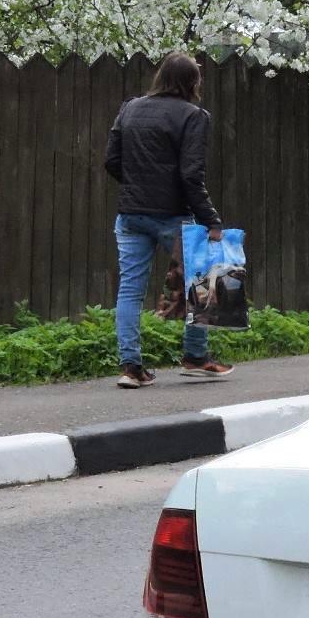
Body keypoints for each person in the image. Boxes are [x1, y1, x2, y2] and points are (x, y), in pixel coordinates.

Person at [104, 53, 234, 387]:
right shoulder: (194, 116)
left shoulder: (129, 108)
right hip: (173, 215)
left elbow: (112, 161)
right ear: (192, 82)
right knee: (201, 284)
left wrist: (138, 186)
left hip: (130, 214)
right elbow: (191, 175)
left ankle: (130, 368)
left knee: (130, 290)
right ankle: (195, 358)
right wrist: (212, 221)